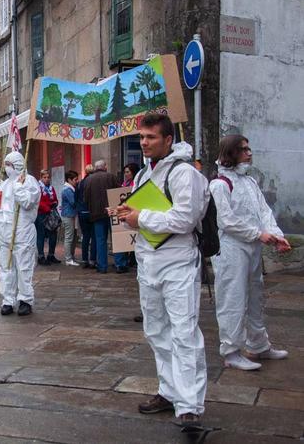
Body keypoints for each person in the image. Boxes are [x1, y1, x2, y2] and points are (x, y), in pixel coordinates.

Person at [116, 114, 209, 431]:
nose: (144, 142)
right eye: (142, 137)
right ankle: (169, 391)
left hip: (179, 261)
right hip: (149, 261)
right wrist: (125, 214)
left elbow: (184, 219)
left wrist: (140, 217)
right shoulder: (144, 173)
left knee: (184, 332)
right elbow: (143, 213)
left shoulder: (186, 174)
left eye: (151, 137)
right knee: (156, 331)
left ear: (168, 140)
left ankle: (190, 405)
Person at [211, 135, 291, 370]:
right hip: (230, 249)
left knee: (255, 295)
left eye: (248, 148)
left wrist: (276, 235)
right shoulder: (220, 184)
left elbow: (263, 212)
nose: (249, 153)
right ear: (231, 152)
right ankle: (231, 350)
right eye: (243, 149)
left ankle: (258, 344)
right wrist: (258, 234)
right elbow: (226, 221)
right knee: (232, 298)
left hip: (251, 247)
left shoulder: (249, 182)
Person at [0, 151, 40, 316]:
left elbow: (28, 202)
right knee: (6, 268)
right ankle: (7, 300)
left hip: (22, 234)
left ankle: (25, 300)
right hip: (4, 234)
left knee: (24, 268)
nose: (7, 168)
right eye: (6, 164)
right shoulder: (4, 184)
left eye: (10, 164)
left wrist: (18, 186)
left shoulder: (29, 182)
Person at [84, 159, 120, 273]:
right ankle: (120, 264)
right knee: (116, 237)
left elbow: (85, 198)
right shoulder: (112, 177)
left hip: (96, 214)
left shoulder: (89, 180)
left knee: (100, 240)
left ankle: (102, 266)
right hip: (113, 211)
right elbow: (119, 193)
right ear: (105, 167)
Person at [115, 162, 141, 275]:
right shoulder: (124, 183)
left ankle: (131, 260)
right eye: (125, 172)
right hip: (124, 214)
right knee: (123, 238)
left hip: (133, 214)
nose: (125, 174)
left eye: (127, 172)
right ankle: (123, 262)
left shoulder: (136, 183)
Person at [35, 170, 59, 266]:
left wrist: (55, 203)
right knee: (40, 235)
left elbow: (55, 198)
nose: (47, 179)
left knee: (53, 235)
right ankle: (41, 256)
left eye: (48, 177)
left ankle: (51, 255)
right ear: (41, 178)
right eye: (44, 177)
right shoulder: (38, 188)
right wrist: (47, 207)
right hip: (41, 214)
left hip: (51, 215)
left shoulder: (51, 188)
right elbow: (37, 201)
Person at [76, 164, 96, 268]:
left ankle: (84, 260)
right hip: (92, 212)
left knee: (85, 237)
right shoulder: (94, 182)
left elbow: (76, 198)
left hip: (82, 213)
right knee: (94, 237)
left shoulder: (80, 183)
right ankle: (92, 259)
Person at [60, 170, 81, 266]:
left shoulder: (69, 188)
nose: (77, 181)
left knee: (72, 237)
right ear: (69, 180)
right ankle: (68, 259)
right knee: (69, 237)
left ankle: (71, 257)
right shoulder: (67, 190)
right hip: (68, 216)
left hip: (71, 215)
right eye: (75, 179)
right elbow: (73, 202)